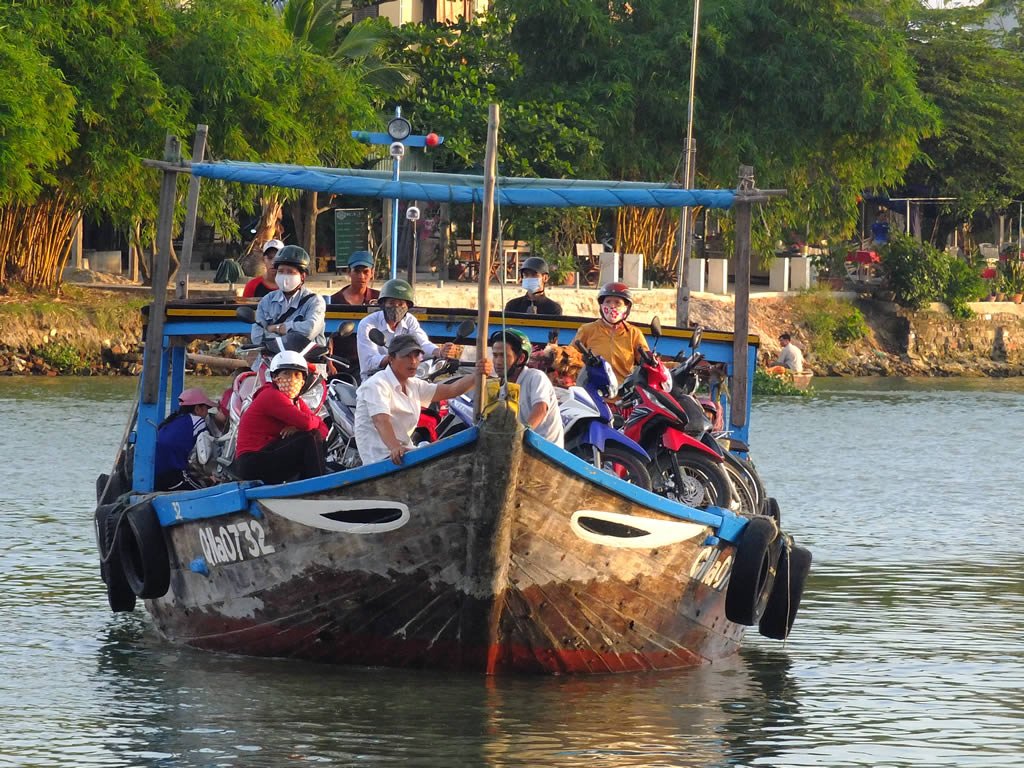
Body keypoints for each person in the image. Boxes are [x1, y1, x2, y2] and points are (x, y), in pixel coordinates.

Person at [355, 334, 492, 465]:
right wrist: (395, 448)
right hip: (380, 459)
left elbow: (452, 390)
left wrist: (478, 374)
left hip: (405, 454)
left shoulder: (413, 384)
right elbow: (381, 421)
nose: (413, 361)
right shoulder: (377, 384)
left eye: (416, 356)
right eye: (407, 356)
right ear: (391, 359)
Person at [235, 351, 328, 483]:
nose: (292, 379)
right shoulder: (271, 395)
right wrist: (304, 427)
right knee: (310, 437)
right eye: (286, 374)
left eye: (297, 375)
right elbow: (308, 423)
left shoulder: (297, 401)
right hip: (253, 460)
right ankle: (319, 487)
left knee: (315, 438)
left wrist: (299, 429)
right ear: (275, 378)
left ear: (303, 381)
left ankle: (308, 483)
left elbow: (323, 430)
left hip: (270, 454)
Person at [355, 278, 457, 379]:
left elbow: (422, 343)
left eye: (400, 304)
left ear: (407, 306)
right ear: (383, 304)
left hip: (406, 379)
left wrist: (439, 352)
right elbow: (369, 362)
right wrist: (394, 359)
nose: (396, 307)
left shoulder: (409, 321)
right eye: (391, 303)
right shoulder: (368, 324)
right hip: (375, 379)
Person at [490, 330, 564, 448]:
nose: (498, 362)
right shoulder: (502, 389)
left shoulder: (535, 377)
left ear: (521, 358)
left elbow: (541, 409)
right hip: (521, 451)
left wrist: (520, 434)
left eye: (504, 356)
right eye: (495, 355)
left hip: (546, 453)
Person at [571, 282, 649, 384]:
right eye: (608, 302)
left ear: (627, 307)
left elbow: (648, 360)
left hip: (623, 393)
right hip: (593, 391)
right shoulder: (587, 329)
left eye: (617, 303)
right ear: (601, 305)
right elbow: (570, 354)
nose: (612, 306)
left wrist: (671, 365)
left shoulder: (634, 333)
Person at [252, 245, 326, 347]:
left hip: (306, 359)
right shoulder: (266, 301)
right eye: (281, 271)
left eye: (290, 272)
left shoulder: (315, 301)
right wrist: (293, 331)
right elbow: (257, 337)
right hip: (273, 359)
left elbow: (309, 330)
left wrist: (276, 328)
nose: (285, 276)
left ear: (302, 276)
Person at [154, 388, 218, 491]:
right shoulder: (198, 421)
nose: (207, 413)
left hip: (156, 475)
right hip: (174, 475)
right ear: (197, 408)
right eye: (206, 408)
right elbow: (206, 452)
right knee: (208, 490)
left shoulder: (171, 421)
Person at [328, 250, 380, 375]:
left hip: (372, 361)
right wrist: (329, 364)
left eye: (365, 271)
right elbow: (328, 336)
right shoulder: (334, 300)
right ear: (348, 272)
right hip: (340, 363)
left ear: (372, 273)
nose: (361, 276)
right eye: (357, 271)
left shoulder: (379, 299)